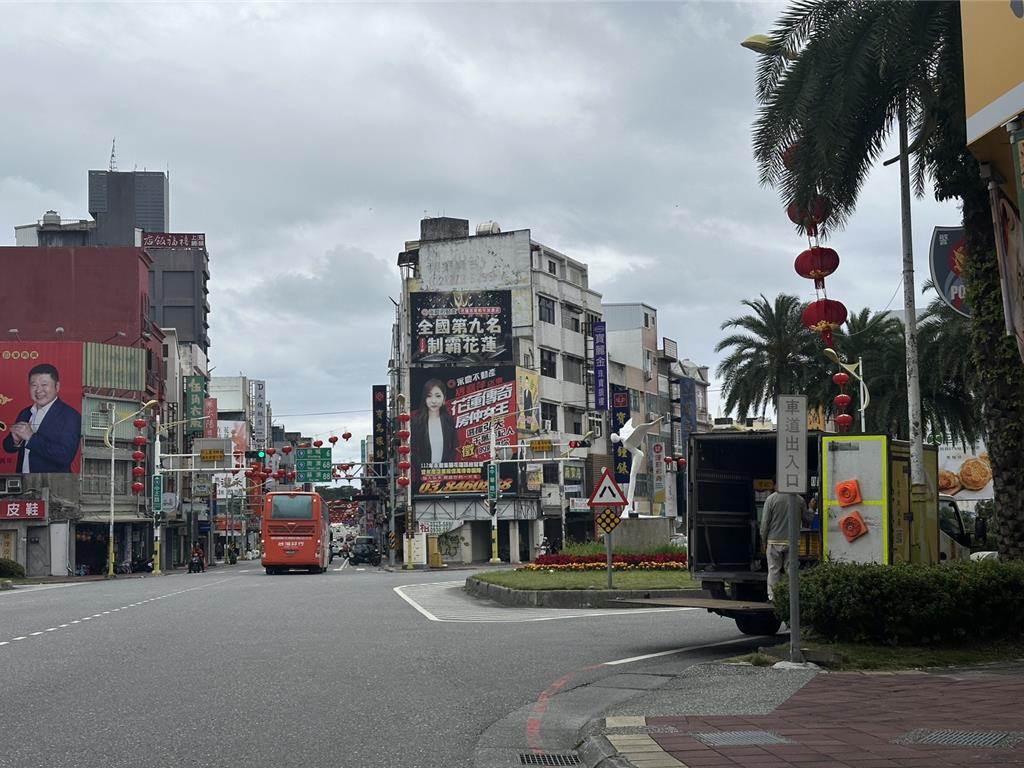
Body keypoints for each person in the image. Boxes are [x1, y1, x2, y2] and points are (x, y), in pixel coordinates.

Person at [2, 363, 82, 473]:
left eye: (44, 385)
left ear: (57, 386)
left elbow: (65, 456)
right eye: (34, 385)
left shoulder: (71, 416)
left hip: (52, 484)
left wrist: (31, 437)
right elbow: (8, 447)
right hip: (23, 480)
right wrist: (15, 440)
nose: (38, 390)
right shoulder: (25, 413)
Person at [760, 486, 813, 601]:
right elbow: (808, 519)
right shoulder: (799, 499)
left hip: (774, 540)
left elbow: (765, 523)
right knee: (791, 569)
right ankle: (793, 596)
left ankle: (773, 597)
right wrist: (811, 508)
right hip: (793, 541)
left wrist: (763, 540)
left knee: (774, 569)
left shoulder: (771, 499)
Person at [410, 378, 457, 476]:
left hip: (446, 475)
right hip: (424, 476)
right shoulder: (417, 422)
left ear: (444, 399)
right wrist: (421, 468)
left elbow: (454, 446)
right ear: (424, 399)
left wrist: (447, 466)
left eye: (438, 396)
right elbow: (413, 450)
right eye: (429, 396)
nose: (434, 401)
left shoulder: (448, 421)